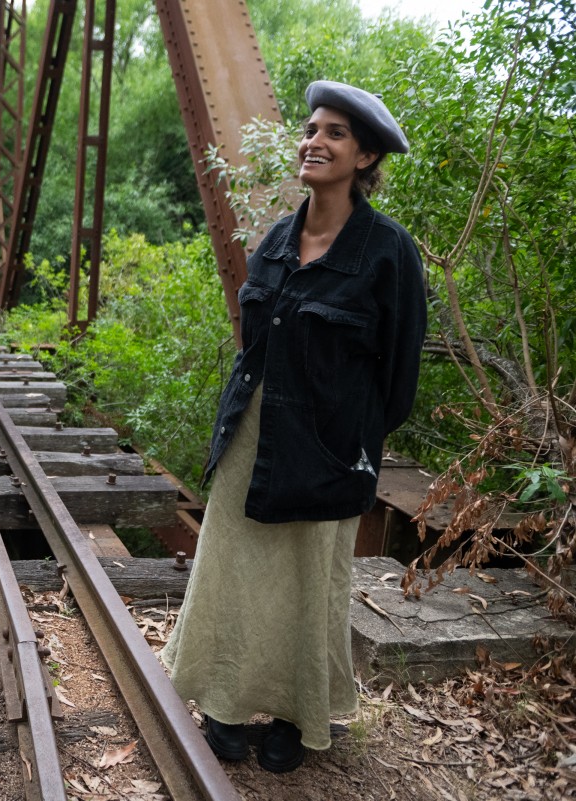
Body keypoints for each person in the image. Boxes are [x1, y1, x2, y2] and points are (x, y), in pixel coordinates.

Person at [160, 80, 428, 772]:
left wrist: (349, 441)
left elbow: (398, 378)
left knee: (310, 581)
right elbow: (253, 345)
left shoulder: (389, 251)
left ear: (365, 156)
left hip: (330, 444)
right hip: (251, 433)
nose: (315, 141)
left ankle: (294, 712)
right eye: (311, 129)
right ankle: (223, 703)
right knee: (232, 568)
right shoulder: (278, 238)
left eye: (335, 133)